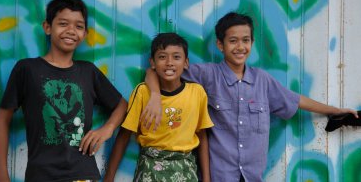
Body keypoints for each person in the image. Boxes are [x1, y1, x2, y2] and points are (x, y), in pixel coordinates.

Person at [143, 12, 359, 182]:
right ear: (221, 45)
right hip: (220, 175)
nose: (240, 47)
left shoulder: (262, 81)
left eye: (245, 40)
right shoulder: (208, 75)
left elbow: (295, 100)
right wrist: (154, 95)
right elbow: (157, 71)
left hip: (252, 176)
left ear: (252, 43)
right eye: (233, 41)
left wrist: (334, 110)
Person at [0, 0, 128, 182]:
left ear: (85, 34)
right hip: (41, 175)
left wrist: (108, 129)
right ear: (47, 27)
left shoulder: (88, 72)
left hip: (83, 175)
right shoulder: (27, 69)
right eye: (63, 23)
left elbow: (122, 105)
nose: (71, 30)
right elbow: (2, 119)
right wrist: (2, 175)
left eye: (79, 26)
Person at [104, 33, 213, 182]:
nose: (169, 62)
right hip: (150, 168)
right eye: (162, 57)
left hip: (185, 170)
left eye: (176, 57)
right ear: (153, 63)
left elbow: (202, 136)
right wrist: (108, 178)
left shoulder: (197, 93)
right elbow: (124, 136)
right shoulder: (142, 92)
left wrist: (206, 179)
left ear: (186, 63)